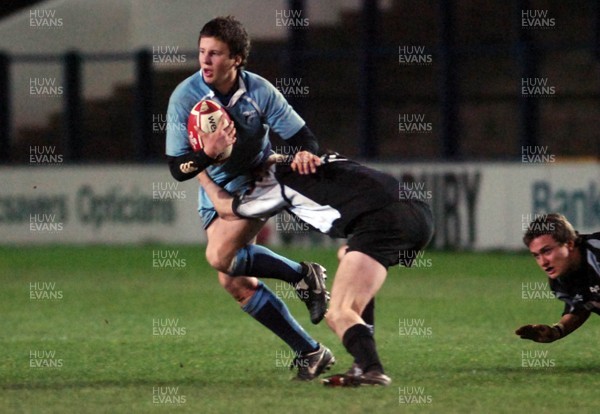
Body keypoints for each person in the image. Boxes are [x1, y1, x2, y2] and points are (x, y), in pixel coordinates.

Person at [165, 16, 334, 380]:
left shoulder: (259, 92)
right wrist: (209, 155)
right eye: (202, 52)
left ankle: (301, 275)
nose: (205, 61)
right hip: (214, 188)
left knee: (220, 256)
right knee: (234, 280)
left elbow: (304, 137)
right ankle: (310, 349)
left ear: (237, 58)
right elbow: (177, 168)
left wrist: (303, 154)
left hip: (257, 180)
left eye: (216, 54)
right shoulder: (185, 96)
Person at [197, 152, 434, 386]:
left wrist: (203, 177)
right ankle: (361, 365)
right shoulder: (318, 159)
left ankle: (373, 371)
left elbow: (226, 208)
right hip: (419, 214)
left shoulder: (274, 186)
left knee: (338, 313)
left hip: (381, 224)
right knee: (347, 257)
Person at [516, 213, 600, 343]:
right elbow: (581, 306)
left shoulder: (596, 252)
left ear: (569, 244)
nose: (543, 262)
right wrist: (556, 331)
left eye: (547, 251)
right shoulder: (560, 282)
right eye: (536, 255)